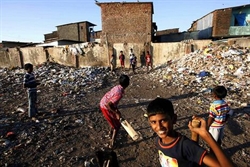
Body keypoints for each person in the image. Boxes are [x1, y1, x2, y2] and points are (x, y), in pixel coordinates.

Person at [146, 97, 234, 167]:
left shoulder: (185, 145)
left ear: (174, 119)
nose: (159, 127)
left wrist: (206, 135)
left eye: (163, 121)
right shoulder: (159, 141)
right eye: (153, 122)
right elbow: (190, 157)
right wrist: (194, 134)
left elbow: (191, 150)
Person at [100, 74, 130, 148]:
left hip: (103, 103)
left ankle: (110, 132)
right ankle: (112, 143)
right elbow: (108, 105)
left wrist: (116, 110)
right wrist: (116, 113)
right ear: (127, 84)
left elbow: (112, 101)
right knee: (117, 126)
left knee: (114, 119)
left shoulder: (117, 87)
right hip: (105, 107)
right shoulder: (119, 93)